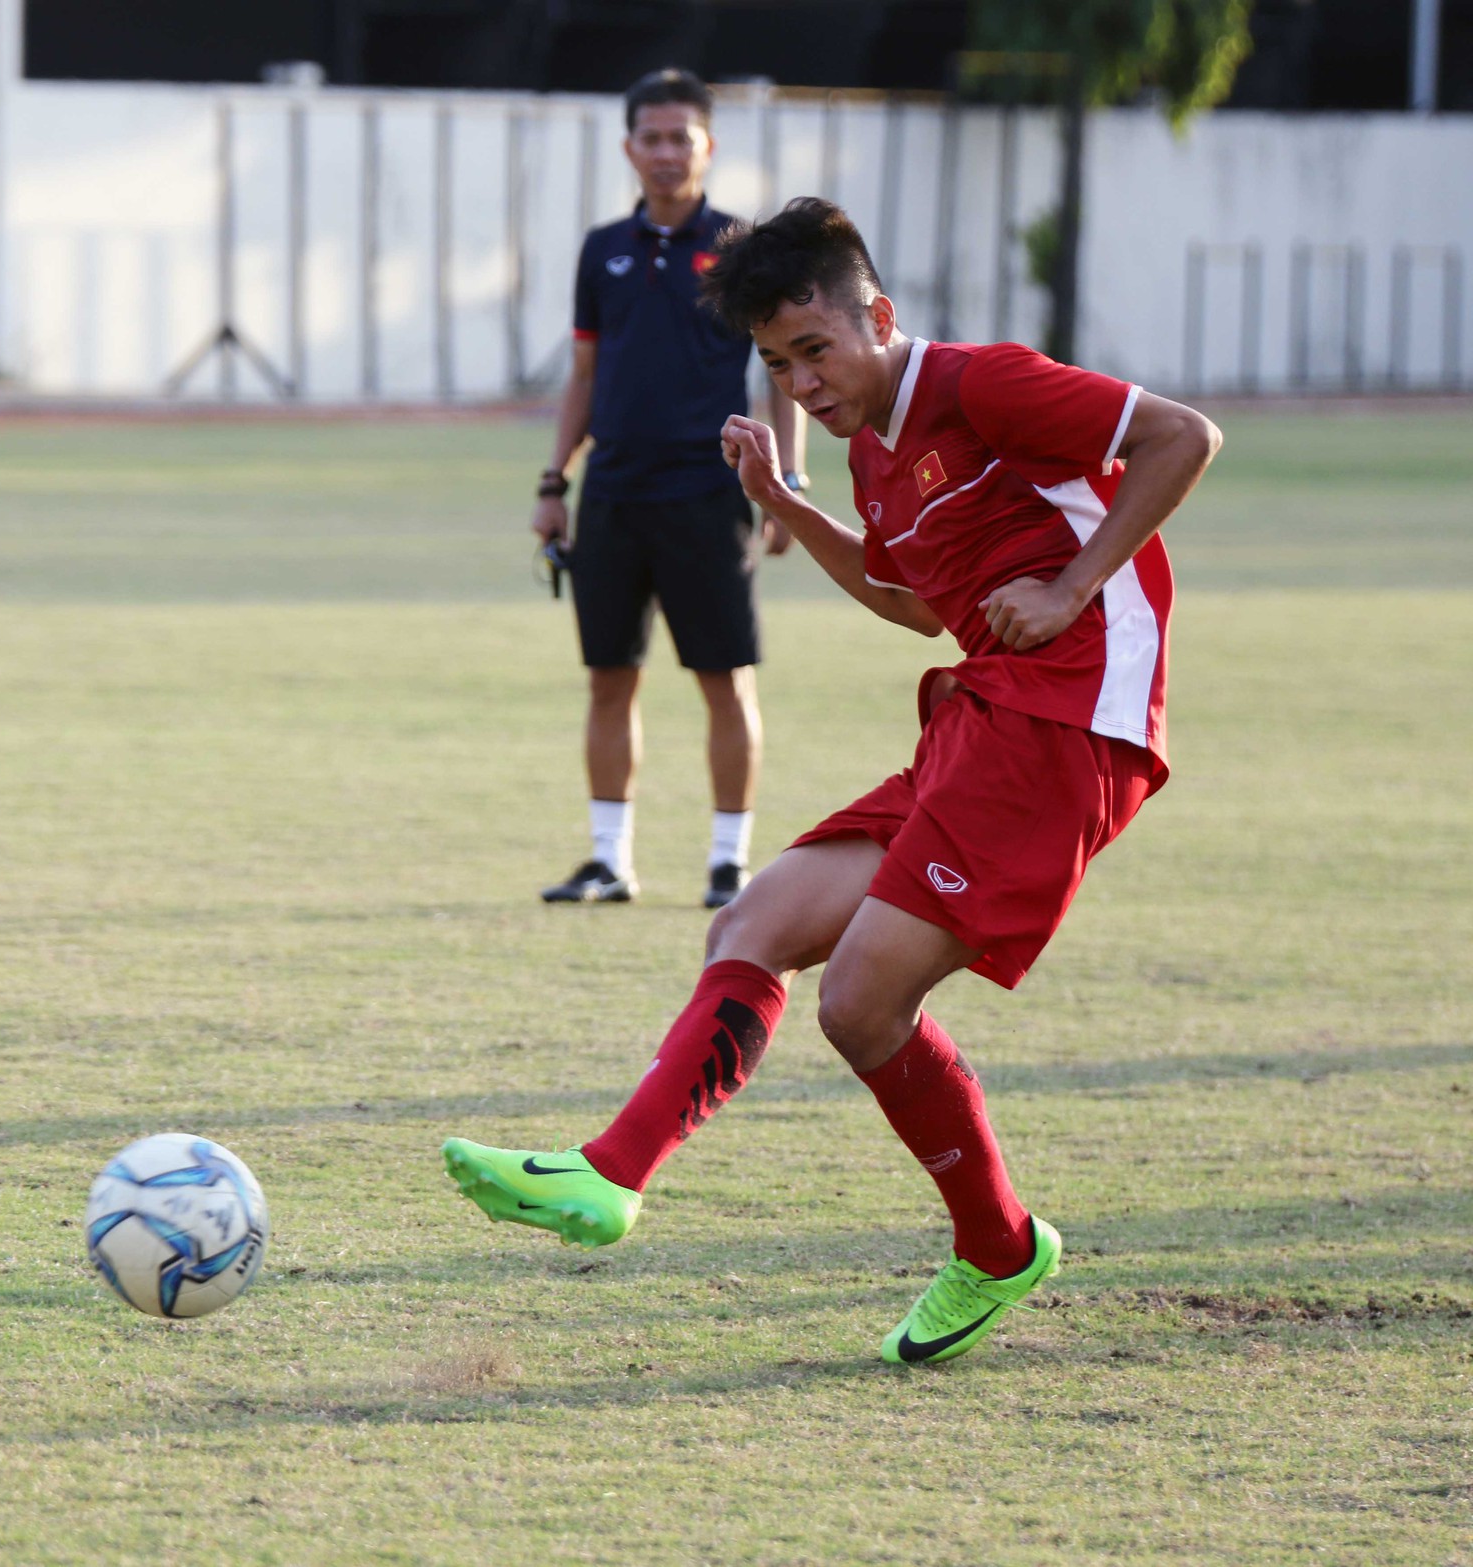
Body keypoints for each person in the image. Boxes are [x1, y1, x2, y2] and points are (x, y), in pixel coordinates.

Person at [447, 197, 1222, 1365]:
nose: (800, 381)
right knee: (752, 920)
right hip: (983, 711)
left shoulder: (981, 385)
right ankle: (609, 1176)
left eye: (814, 349)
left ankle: (998, 1245)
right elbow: (911, 605)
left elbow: (1181, 436)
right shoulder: (866, 452)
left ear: (878, 318)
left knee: (857, 1001)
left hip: (1071, 717)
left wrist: (1069, 589)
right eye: (774, 361)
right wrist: (788, 504)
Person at [536, 69, 803, 911]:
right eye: (649, 137)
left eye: (679, 138)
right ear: (629, 148)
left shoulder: (742, 248)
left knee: (725, 678)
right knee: (609, 677)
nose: (663, 152)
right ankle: (609, 859)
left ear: (707, 146)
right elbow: (584, 372)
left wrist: (787, 483)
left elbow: (784, 370)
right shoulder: (600, 248)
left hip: (706, 491)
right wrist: (555, 480)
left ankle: (730, 865)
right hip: (613, 490)